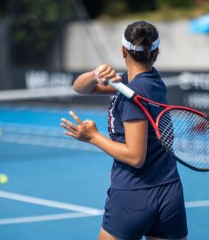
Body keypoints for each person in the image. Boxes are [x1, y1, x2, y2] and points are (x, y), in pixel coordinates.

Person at [61, 20, 188, 240]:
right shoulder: (152, 82)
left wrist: (93, 137)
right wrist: (94, 74)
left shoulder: (133, 94)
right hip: (170, 193)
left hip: (134, 196)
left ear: (123, 51)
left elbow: (135, 156)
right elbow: (80, 87)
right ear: (156, 53)